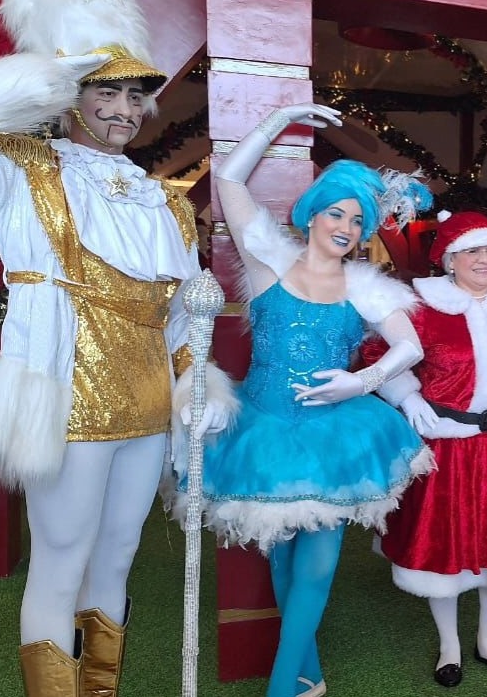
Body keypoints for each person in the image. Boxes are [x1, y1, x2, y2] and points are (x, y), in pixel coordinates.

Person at [0, 0, 234, 694]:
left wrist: (198, 383)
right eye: (105, 91)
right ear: (73, 93)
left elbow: (181, 315)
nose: (124, 109)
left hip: (149, 398)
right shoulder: (20, 169)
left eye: (135, 94)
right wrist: (37, 80)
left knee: (118, 555)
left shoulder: (161, 197)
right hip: (68, 394)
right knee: (61, 554)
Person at [179, 102, 436, 697]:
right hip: (265, 426)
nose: (345, 226)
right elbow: (228, 179)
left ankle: (279, 688)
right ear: (314, 212)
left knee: (317, 567)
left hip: (333, 435)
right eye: (337, 212)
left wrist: (360, 383)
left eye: (358, 220)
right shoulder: (268, 262)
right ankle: (308, 677)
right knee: (283, 560)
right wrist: (279, 121)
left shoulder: (367, 288)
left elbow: (410, 345)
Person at [364, 209, 487, 688]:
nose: (486, 259)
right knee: (445, 545)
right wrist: (408, 397)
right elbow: (375, 354)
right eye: (474, 250)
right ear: (450, 259)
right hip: (447, 447)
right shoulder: (423, 307)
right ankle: (450, 644)